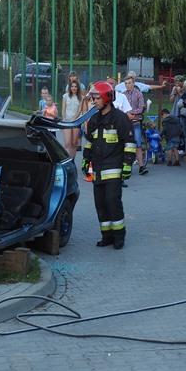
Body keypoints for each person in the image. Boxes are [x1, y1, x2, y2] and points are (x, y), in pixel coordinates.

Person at [82, 81, 136, 250]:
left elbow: (129, 142)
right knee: (100, 204)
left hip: (113, 168)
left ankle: (119, 236)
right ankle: (107, 236)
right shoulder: (94, 119)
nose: (93, 101)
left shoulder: (120, 118)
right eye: (93, 98)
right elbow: (89, 142)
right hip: (98, 170)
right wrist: (85, 159)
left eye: (96, 98)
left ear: (106, 98)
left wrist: (127, 164)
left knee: (112, 202)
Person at [123, 76, 148, 175]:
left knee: (138, 144)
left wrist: (131, 113)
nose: (127, 85)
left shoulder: (138, 94)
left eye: (129, 83)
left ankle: (141, 166)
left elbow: (140, 108)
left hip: (135, 122)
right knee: (124, 144)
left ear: (133, 83)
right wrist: (126, 114)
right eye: (126, 83)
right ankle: (124, 165)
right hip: (126, 123)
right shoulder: (123, 95)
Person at [62, 80, 85, 158]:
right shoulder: (65, 96)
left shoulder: (81, 98)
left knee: (74, 143)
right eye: (72, 86)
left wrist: (74, 119)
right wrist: (64, 118)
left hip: (76, 122)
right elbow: (63, 108)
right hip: (67, 122)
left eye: (75, 86)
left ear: (78, 88)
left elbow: (79, 110)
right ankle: (67, 160)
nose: (73, 88)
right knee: (67, 144)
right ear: (70, 87)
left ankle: (72, 161)